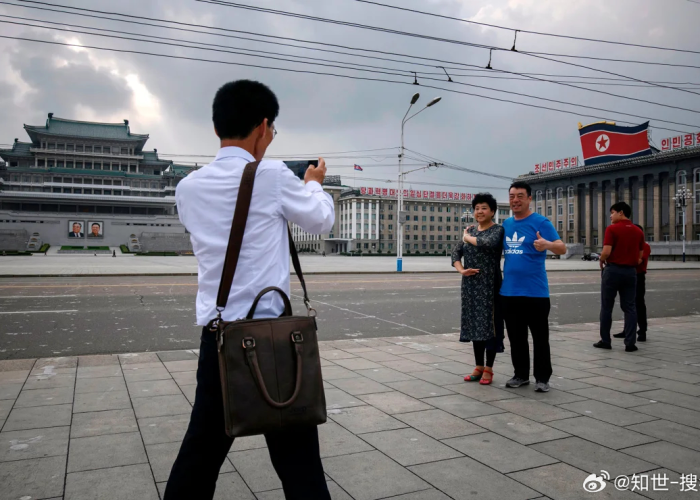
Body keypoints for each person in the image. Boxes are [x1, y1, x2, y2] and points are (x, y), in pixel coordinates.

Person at [164, 80, 334, 500]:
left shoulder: (187, 188)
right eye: (273, 129)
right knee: (299, 463)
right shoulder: (273, 175)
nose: (271, 137)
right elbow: (320, 221)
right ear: (262, 126)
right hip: (273, 340)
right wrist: (314, 182)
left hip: (219, 339)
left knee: (200, 453)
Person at [501, 181, 566, 392]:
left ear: (529, 198)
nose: (515, 200)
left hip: (536, 293)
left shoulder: (541, 222)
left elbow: (562, 248)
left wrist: (546, 245)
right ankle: (520, 375)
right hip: (509, 292)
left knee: (540, 338)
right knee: (516, 338)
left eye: (520, 196)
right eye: (512, 196)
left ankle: (542, 378)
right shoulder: (506, 225)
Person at [451, 193, 505, 385]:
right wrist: (462, 270)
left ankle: (489, 368)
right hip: (471, 286)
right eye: (477, 208)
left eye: (484, 208)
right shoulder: (471, 230)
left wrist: (467, 237)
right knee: (475, 325)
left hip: (490, 285)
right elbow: (455, 252)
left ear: (492, 211)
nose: (479, 211)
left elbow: (486, 243)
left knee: (489, 325)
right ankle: (478, 366)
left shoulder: (497, 230)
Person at [594, 202, 645, 352]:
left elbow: (606, 251)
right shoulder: (638, 231)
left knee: (606, 307)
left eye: (612, 212)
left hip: (613, 271)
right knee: (630, 307)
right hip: (630, 272)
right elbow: (640, 257)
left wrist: (602, 259)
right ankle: (630, 343)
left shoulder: (612, 229)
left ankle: (605, 341)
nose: (610, 216)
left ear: (621, 213)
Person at [613, 224, 650, 342]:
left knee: (639, 304)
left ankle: (642, 331)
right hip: (628, 275)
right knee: (628, 305)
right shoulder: (630, 245)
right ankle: (627, 331)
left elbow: (638, 260)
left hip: (638, 276)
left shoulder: (645, 246)